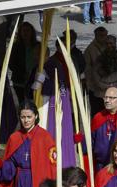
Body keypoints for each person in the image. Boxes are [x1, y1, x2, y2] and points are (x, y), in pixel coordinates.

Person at [32, 39, 76, 168]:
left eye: (37, 54)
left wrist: (41, 81)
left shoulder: (53, 65)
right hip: (45, 103)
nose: (35, 57)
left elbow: (52, 87)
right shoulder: (42, 66)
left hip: (50, 104)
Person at [9, 22, 40, 103]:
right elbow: (11, 64)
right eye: (24, 31)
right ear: (20, 33)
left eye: (28, 30)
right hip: (19, 82)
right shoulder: (15, 46)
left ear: (32, 32)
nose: (26, 33)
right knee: (22, 104)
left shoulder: (38, 45)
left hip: (35, 80)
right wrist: (23, 73)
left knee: (34, 104)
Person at [84, 27, 108, 116]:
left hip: (108, 86)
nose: (103, 37)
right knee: (97, 114)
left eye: (104, 35)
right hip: (95, 87)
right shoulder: (90, 49)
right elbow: (87, 69)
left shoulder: (109, 46)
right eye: (100, 35)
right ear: (96, 36)